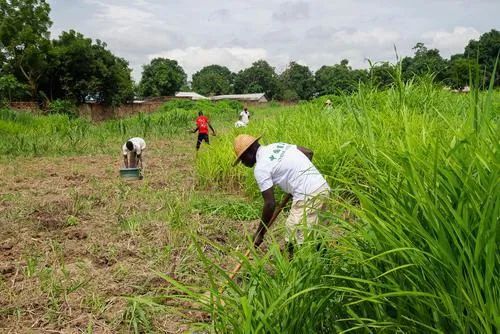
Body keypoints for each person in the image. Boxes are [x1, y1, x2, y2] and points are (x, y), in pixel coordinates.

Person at [232, 134, 330, 252]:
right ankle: (322, 262)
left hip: (308, 194)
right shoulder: (277, 146)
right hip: (322, 187)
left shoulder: (261, 168)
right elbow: (309, 152)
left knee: (294, 237)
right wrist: (297, 177)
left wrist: (259, 233)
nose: (243, 163)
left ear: (250, 150)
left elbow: (270, 204)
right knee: (316, 234)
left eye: (242, 158)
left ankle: (295, 267)